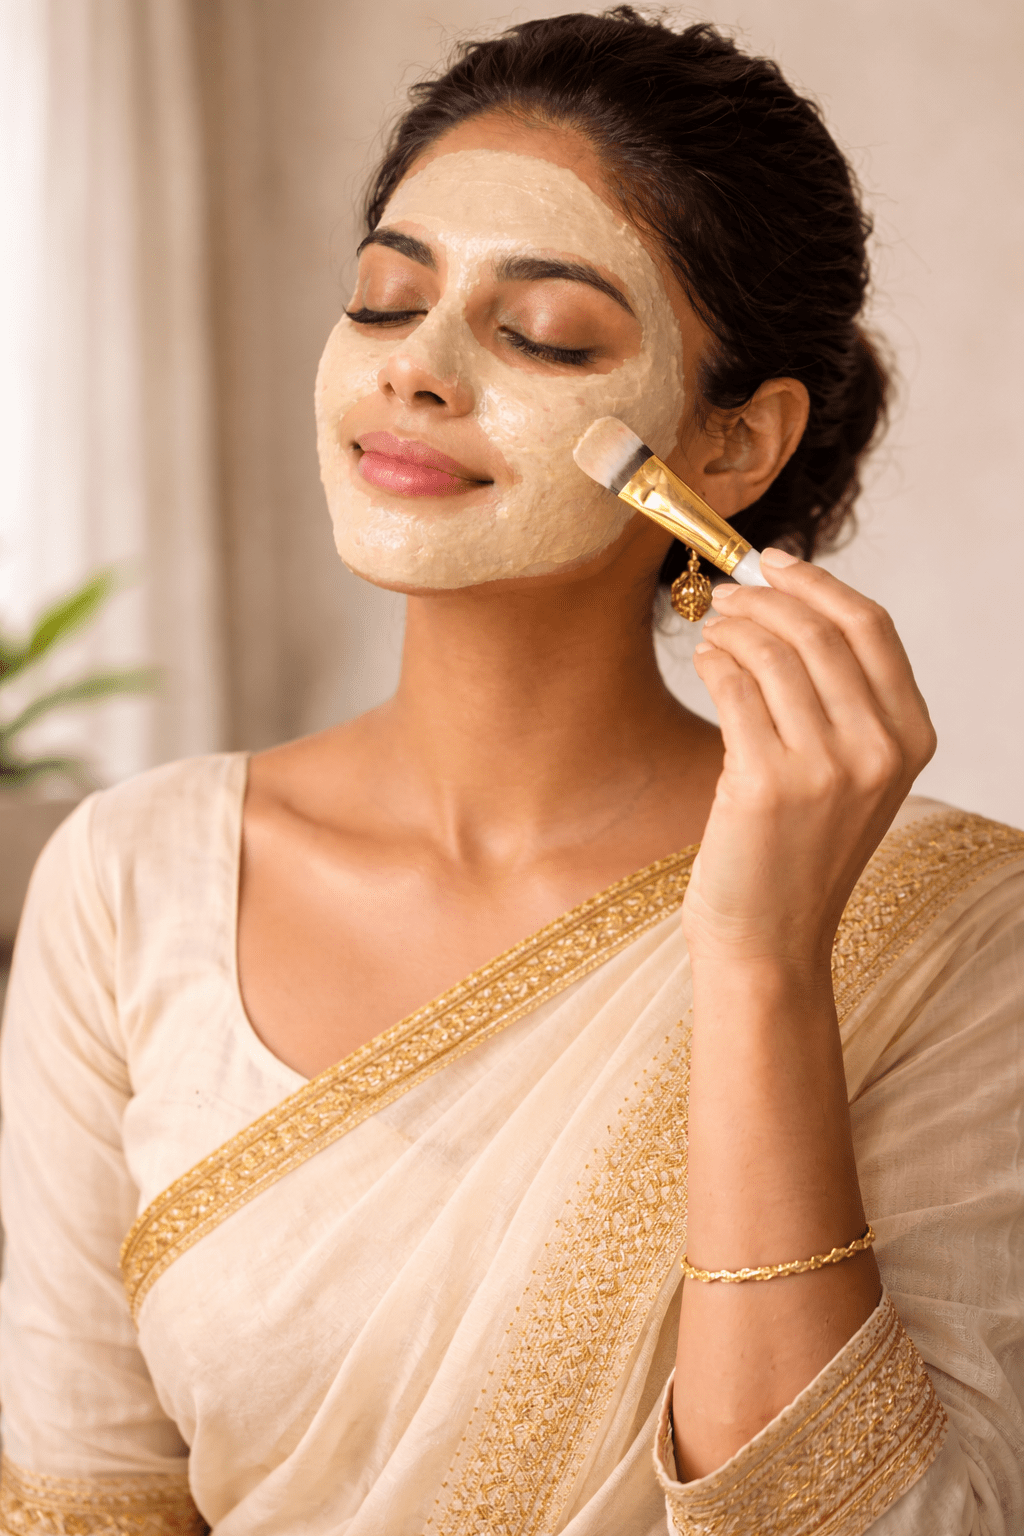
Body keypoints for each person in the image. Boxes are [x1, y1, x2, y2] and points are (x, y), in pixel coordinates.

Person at [1, 11, 1021, 1534]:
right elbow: (81, 1503)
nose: (415, 369)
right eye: (384, 298)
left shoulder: (957, 927)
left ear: (731, 447)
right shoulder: (130, 879)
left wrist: (757, 964)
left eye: (541, 331)